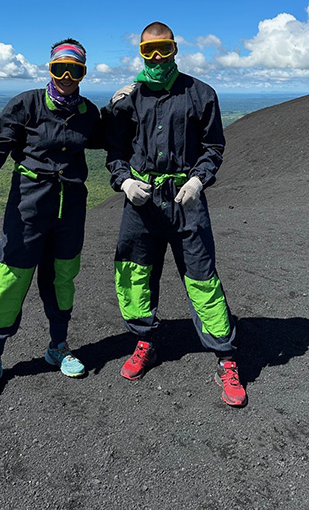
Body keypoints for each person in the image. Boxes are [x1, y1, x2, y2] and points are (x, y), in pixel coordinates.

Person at [103, 21, 247, 407]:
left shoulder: (201, 93)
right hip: (141, 202)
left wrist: (199, 180)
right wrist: (124, 183)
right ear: (140, 53)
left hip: (187, 201)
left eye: (162, 49)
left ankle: (226, 357)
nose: (156, 58)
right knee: (134, 274)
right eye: (148, 51)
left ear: (175, 49)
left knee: (202, 277)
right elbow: (114, 150)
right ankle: (145, 340)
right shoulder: (128, 99)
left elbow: (213, 146)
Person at [0, 39, 103, 398]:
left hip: (70, 207)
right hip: (28, 206)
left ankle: (58, 345)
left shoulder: (87, 113)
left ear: (83, 73)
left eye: (75, 70)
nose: (67, 77)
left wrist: (126, 102)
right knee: (12, 275)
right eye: (61, 69)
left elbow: (112, 138)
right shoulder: (26, 104)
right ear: (50, 68)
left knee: (63, 276)